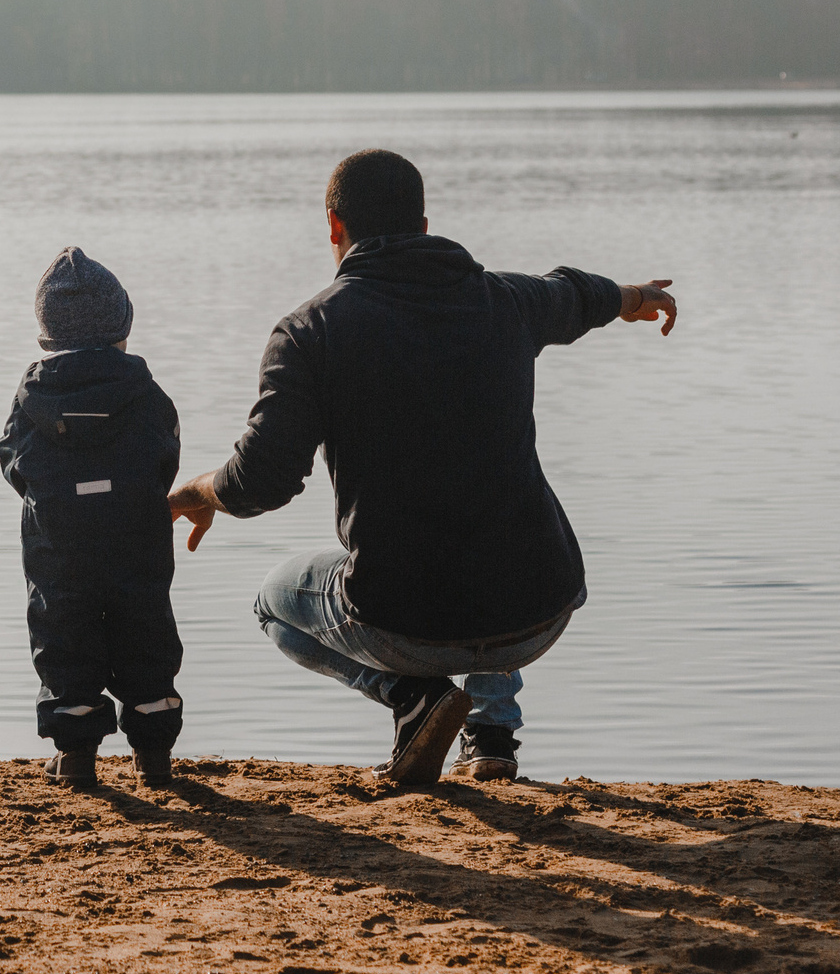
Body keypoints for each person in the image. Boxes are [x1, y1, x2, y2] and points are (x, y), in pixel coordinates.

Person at [166, 150, 677, 786]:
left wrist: (194, 492)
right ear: (426, 225)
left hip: (404, 624)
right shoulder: (508, 300)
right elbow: (572, 295)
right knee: (484, 498)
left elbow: (260, 482)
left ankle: (415, 700)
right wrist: (631, 297)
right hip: (541, 608)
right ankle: (491, 734)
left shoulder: (309, 332)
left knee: (274, 601)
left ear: (333, 226)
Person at [0, 246, 185, 790]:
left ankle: (76, 755)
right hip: (137, 537)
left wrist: (57, 497)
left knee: (63, 629)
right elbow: (164, 457)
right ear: (123, 329)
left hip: (58, 542)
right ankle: (153, 755)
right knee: (145, 628)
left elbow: (13, 462)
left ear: (46, 337)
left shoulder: (32, 398)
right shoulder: (145, 393)